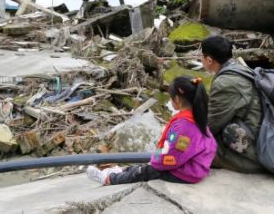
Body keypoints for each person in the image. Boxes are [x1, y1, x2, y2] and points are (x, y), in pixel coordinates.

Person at [86, 77, 217, 185]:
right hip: (193, 166)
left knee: (145, 171)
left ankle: (109, 179)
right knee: (146, 166)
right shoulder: (197, 116)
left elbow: (173, 157)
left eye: (171, 97)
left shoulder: (184, 126)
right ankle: (119, 170)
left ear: (177, 99)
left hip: (185, 172)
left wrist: (155, 160)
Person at [200, 35, 264, 173]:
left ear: (209, 60)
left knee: (194, 148)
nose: (201, 59)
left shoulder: (225, 83)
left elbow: (211, 125)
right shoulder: (241, 69)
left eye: (202, 56)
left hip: (255, 154)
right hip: (261, 138)